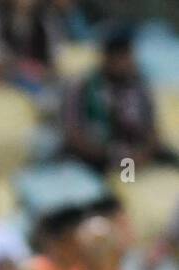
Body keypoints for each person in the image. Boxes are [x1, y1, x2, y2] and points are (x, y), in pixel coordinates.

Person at [61, 25, 162, 173]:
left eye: (128, 54)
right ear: (107, 57)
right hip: (93, 161)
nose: (126, 61)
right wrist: (112, 157)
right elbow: (72, 135)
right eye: (119, 56)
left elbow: (152, 131)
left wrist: (140, 156)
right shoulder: (82, 88)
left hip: (133, 160)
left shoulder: (139, 87)